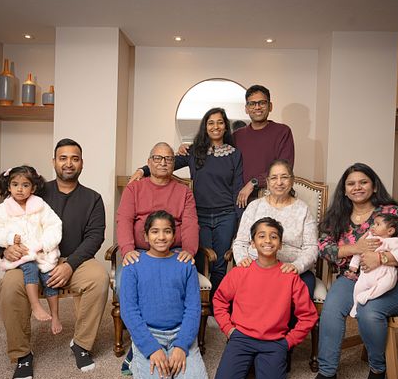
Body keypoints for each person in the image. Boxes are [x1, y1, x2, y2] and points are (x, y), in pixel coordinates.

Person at [304, 163, 398, 379]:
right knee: (331, 308)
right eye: (351, 184)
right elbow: (324, 248)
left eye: (363, 182)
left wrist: (382, 258)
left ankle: (377, 369)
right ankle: (327, 371)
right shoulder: (337, 216)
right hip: (353, 278)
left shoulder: (391, 213)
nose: (357, 187)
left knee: (370, 312)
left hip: (396, 281)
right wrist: (355, 248)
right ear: (345, 190)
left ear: (374, 186)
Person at [0, 138, 109, 379]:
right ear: (54, 162)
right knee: (10, 286)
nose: (69, 163)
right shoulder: (34, 191)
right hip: (31, 260)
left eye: (74, 159)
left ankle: (81, 344)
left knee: (99, 278)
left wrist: (69, 265)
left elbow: (95, 237)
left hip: (74, 260)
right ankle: (22, 354)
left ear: (82, 163)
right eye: (63, 158)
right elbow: (5, 220)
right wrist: (5, 249)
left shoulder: (93, 198)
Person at [128, 108, 244, 299]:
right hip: (200, 214)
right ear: (205, 127)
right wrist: (142, 170)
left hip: (226, 216)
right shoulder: (194, 151)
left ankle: (215, 306)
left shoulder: (235, 155)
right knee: (200, 260)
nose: (215, 126)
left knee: (220, 265)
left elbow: (237, 189)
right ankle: (196, 302)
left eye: (220, 122)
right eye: (211, 123)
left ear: (226, 127)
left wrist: (240, 223)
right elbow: (165, 162)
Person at [213, 217, 318, 379]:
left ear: (280, 244)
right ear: (253, 243)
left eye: (274, 236)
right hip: (241, 338)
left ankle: (261, 363)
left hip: (274, 343)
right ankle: (250, 363)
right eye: (261, 236)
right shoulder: (240, 271)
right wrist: (229, 330)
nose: (268, 240)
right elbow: (219, 300)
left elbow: (308, 316)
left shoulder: (290, 277)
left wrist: (288, 342)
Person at [120, 210, 211, 379]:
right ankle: (136, 356)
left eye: (167, 231)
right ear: (146, 236)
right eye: (155, 231)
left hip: (180, 332)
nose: (161, 237)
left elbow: (193, 309)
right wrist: (151, 348)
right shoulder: (133, 265)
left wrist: (182, 345)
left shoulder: (185, 264)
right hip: (149, 333)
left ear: (174, 235)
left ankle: (172, 365)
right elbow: (129, 311)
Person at [178, 85, 295, 207]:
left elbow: (285, 168)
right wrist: (190, 147)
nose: (257, 107)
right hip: (239, 199)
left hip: (271, 196)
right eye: (252, 104)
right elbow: (215, 147)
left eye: (262, 103)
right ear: (246, 108)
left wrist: (253, 182)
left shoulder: (282, 132)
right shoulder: (237, 136)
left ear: (270, 106)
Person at [0, 165, 63, 334]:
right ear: (9, 187)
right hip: (22, 255)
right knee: (30, 267)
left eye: (25, 185)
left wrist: (43, 244)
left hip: (41, 253)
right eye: (15, 184)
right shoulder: (3, 209)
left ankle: (55, 315)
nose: (19, 189)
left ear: (33, 188)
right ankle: (35, 305)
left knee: (50, 278)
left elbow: (54, 225)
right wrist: (8, 239)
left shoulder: (41, 206)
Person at [232, 159, 318, 297]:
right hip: (257, 267)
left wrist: (296, 266)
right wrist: (243, 260)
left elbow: (311, 247)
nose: (279, 182)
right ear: (267, 182)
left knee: (302, 294)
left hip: (292, 270)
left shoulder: (303, 209)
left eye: (284, 177)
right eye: (274, 178)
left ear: (292, 180)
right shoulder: (254, 207)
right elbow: (240, 242)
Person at [117, 142, 198, 267]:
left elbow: (190, 224)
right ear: (149, 163)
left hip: (175, 252)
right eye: (157, 158)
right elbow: (124, 221)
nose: (163, 163)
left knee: (186, 272)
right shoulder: (133, 189)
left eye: (168, 159)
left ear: (174, 163)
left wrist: (189, 251)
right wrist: (128, 249)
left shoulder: (184, 192)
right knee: (125, 276)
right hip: (139, 252)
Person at [349, 213, 398, 318]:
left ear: (390, 231)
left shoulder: (395, 242)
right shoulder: (368, 238)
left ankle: (367, 296)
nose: (373, 226)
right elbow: (359, 251)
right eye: (374, 224)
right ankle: (355, 305)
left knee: (386, 285)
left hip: (385, 273)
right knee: (358, 287)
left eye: (378, 224)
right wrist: (354, 264)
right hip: (367, 274)